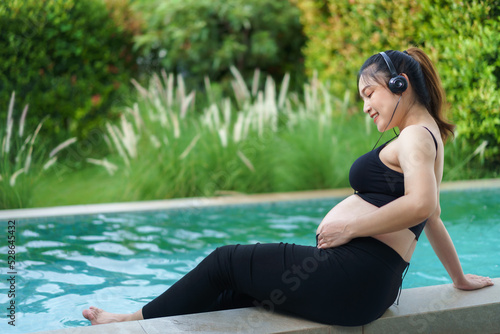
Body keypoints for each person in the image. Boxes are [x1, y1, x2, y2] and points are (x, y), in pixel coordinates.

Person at [82, 47, 493, 327]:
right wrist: (457, 278)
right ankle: (153, 323)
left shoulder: (416, 138)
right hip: (366, 285)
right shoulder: (427, 135)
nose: (366, 106)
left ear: (400, 84)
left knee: (226, 262)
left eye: (370, 93)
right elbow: (434, 214)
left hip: (355, 277)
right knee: (234, 291)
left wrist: (349, 228)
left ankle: (127, 322)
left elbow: (422, 206)